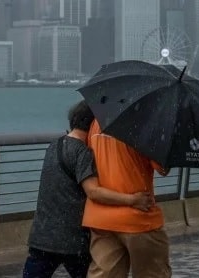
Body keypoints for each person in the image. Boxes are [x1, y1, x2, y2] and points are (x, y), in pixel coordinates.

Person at [24, 101, 155, 278]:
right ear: (93, 125)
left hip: (42, 237)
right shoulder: (82, 153)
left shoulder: (54, 146)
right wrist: (133, 200)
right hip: (72, 241)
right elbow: (93, 192)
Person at [82, 117, 171, 278]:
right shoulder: (144, 124)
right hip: (138, 219)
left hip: (101, 220)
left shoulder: (98, 122)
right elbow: (162, 168)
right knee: (153, 273)